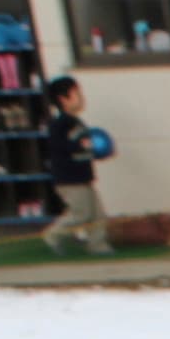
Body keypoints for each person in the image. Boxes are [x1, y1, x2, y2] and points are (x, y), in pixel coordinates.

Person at [41, 77, 112, 257]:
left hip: (83, 177)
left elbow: (86, 146)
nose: (82, 98)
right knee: (82, 213)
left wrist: (98, 151)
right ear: (63, 99)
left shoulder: (77, 122)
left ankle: (98, 246)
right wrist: (82, 145)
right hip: (69, 179)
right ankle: (53, 235)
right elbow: (61, 146)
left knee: (98, 214)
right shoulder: (59, 124)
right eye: (77, 94)